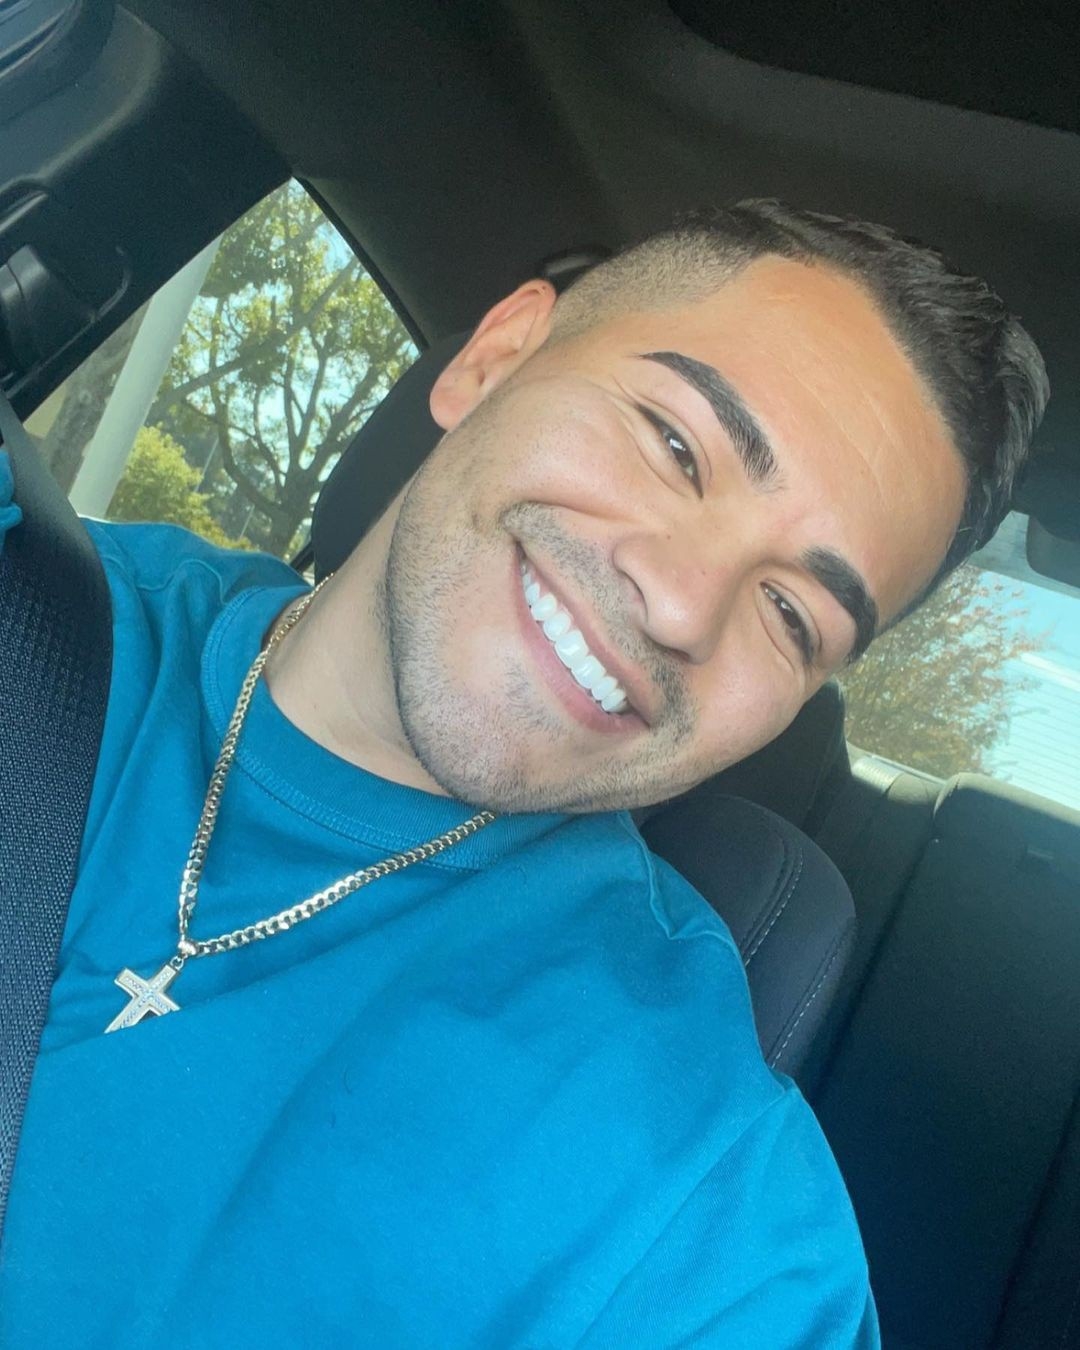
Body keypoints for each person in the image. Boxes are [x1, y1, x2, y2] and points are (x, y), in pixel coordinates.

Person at [0, 201, 1047, 1347]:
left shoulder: (695, 1203)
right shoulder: (27, 594)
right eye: (677, 446)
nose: (682, 604)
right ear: (494, 360)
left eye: (791, 614)